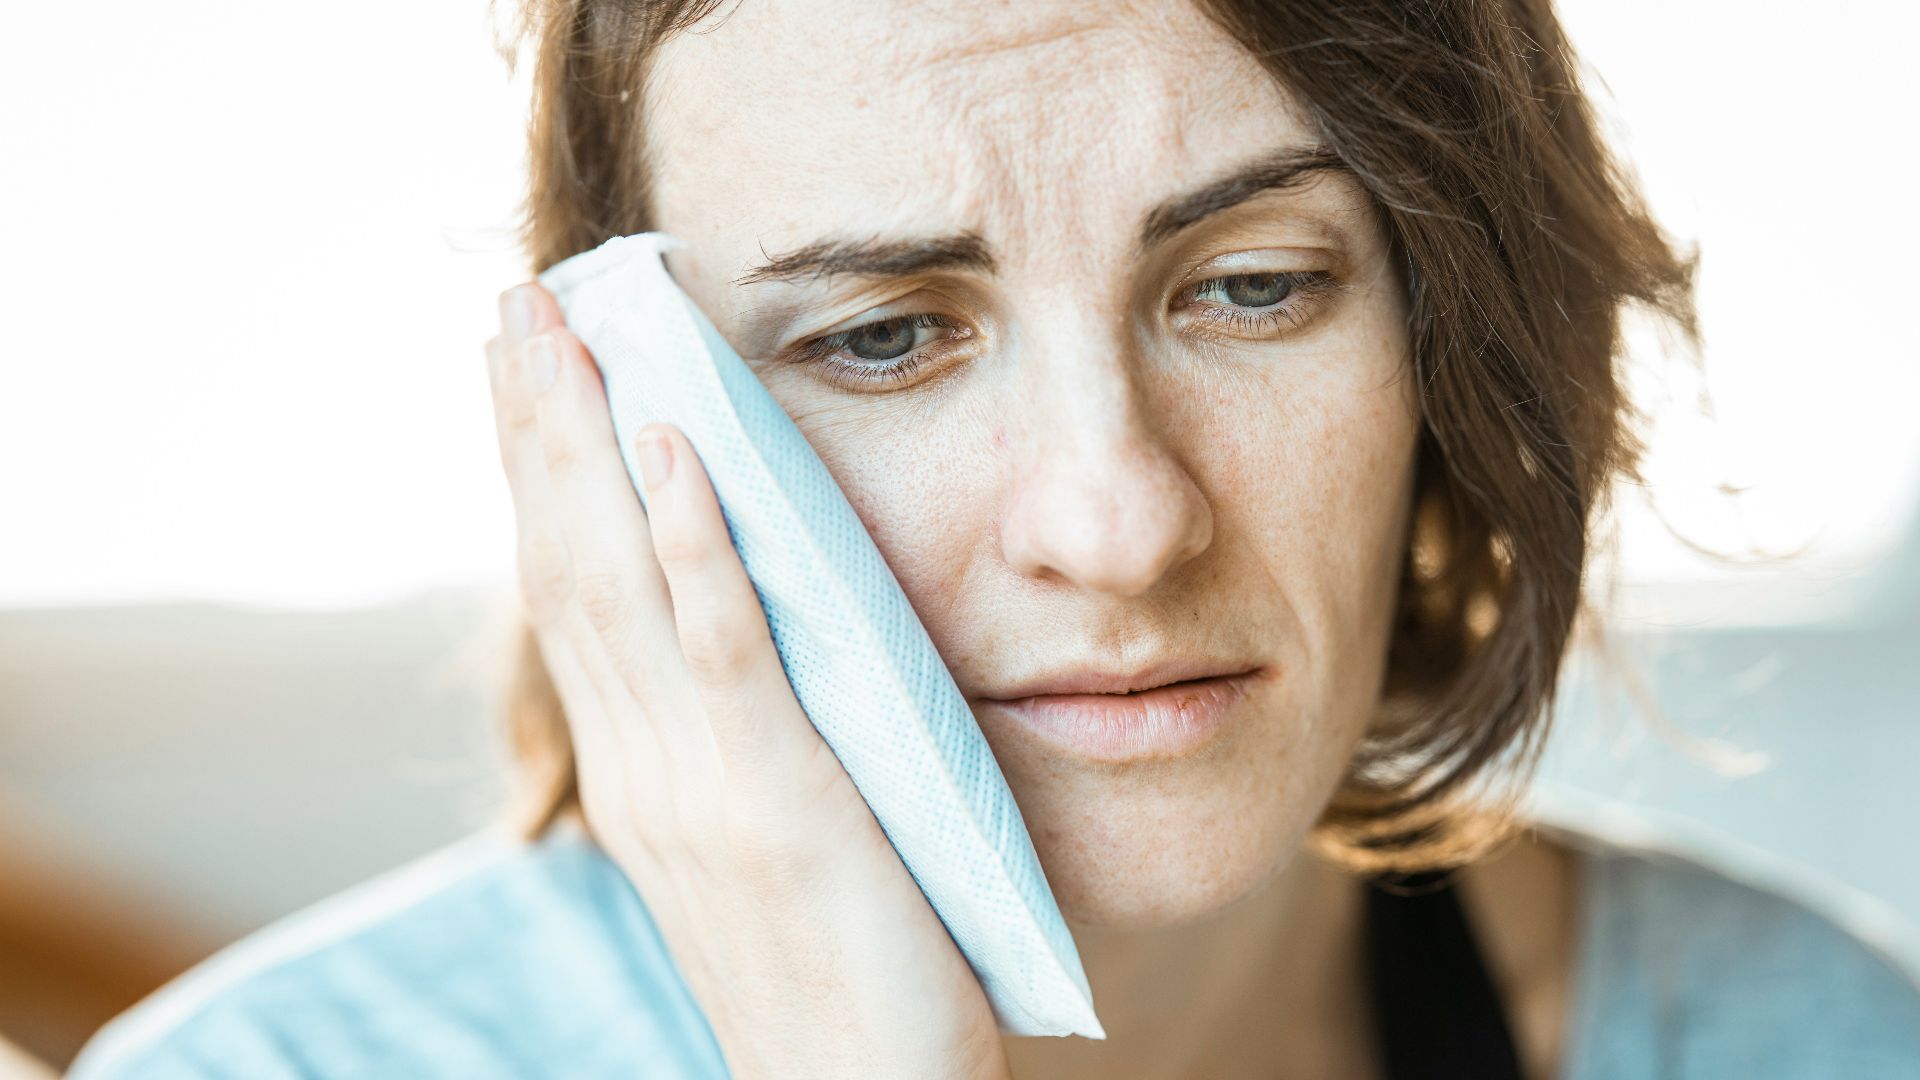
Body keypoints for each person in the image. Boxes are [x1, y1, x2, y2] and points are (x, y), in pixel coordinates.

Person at [66, 0, 1920, 1077]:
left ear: (1453, 341)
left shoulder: (1794, 1036)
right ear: (628, 424)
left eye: (1256, 289)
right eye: (883, 337)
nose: (1116, 521)